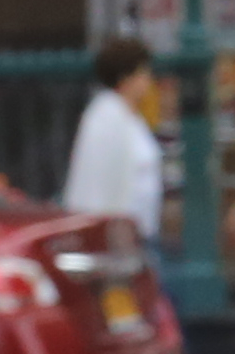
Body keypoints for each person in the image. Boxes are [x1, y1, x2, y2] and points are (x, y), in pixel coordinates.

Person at [60, 32, 169, 241]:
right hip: (120, 238)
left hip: (141, 231)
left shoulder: (131, 118)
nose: (148, 80)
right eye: (142, 73)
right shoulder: (106, 117)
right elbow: (103, 184)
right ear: (125, 77)